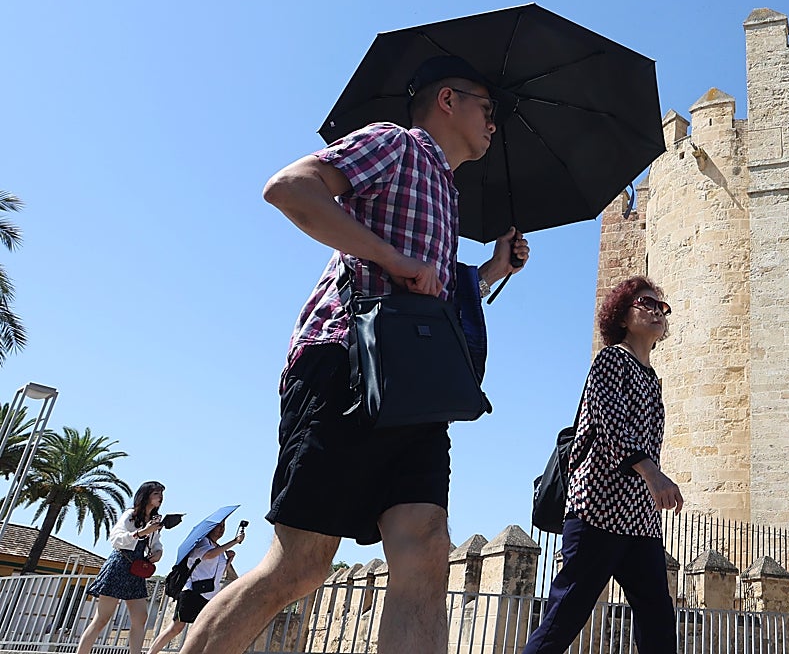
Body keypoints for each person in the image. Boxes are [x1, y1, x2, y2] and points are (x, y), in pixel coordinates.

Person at [180, 55, 529, 654]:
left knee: (425, 549)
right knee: (301, 566)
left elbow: (433, 288)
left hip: (415, 387)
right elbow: (289, 188)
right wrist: (393, 261)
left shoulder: (448, 189)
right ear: (448, 100)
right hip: (345, 362)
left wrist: (493, 268)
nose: (493, 124)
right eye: (486, 108)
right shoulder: (394, 144)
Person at [522, 276, 684, 654]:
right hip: (598, 511)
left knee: (658, 619)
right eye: (647, 303)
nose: (657, 311)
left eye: (662, 306)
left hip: (639, 520)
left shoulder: (651, 378)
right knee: (565, 616)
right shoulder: (611, 360)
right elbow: (611, 428)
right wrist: (653, 475)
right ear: (623, 317)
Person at [76, 481, 167, 654]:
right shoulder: (130, 515)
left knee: (140, 618)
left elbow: (156, 543)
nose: (160, 497)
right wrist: (141, 533)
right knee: (102, 619)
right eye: (156, 493)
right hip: (119, 566)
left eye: (161, 494)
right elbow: (115, 538)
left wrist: (158, 552)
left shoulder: (155, 521)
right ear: (145, 495)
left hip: (136, 569)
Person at [145, 520, 245, 654]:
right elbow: (209, 555)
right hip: (192, 591)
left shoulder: (218, 548)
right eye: (218, 526)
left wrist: (228, 561)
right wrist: (234, 541)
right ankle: (151, 652)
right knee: (177, 627)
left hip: (209, 594)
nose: (221, 529)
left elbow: (217, 573)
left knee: (204, 629)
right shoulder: (202, 543)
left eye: (223, 526)